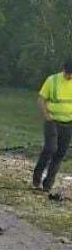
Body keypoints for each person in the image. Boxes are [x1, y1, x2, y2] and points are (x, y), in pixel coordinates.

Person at [32, 58, 72, 191]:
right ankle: (37, 175)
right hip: (52, 121)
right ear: (64, 69)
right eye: (68, 73)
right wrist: (47, 117)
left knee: (60, 154)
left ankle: (48, 184)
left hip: (68, 123)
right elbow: (41, 100)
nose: (69, 76)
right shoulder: (52, 80)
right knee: (50, 148)